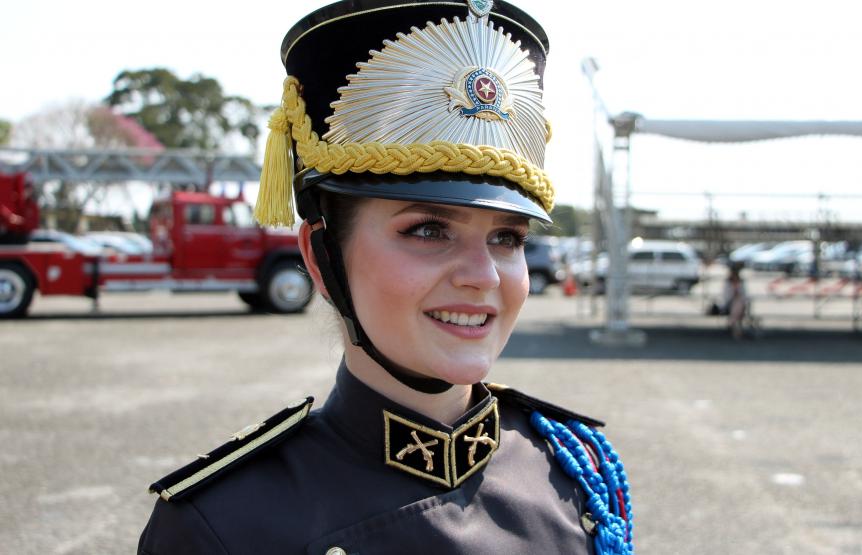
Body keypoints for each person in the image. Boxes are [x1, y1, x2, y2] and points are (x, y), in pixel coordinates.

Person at [137, 2, 633, 554]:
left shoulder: (575, 472)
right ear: (322, 255)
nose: (483, 274)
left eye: (507, 237)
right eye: (427, 230)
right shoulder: (226, 526)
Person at [722, 266, 749, 339]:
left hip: (740, 304)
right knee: (737, 304)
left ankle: (733, 322)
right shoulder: (727, 283)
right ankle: (735, 326)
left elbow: (744, 295)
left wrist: (737, 293)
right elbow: (726, 296)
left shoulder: (741, 283)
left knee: (738, 303)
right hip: (730, 304)